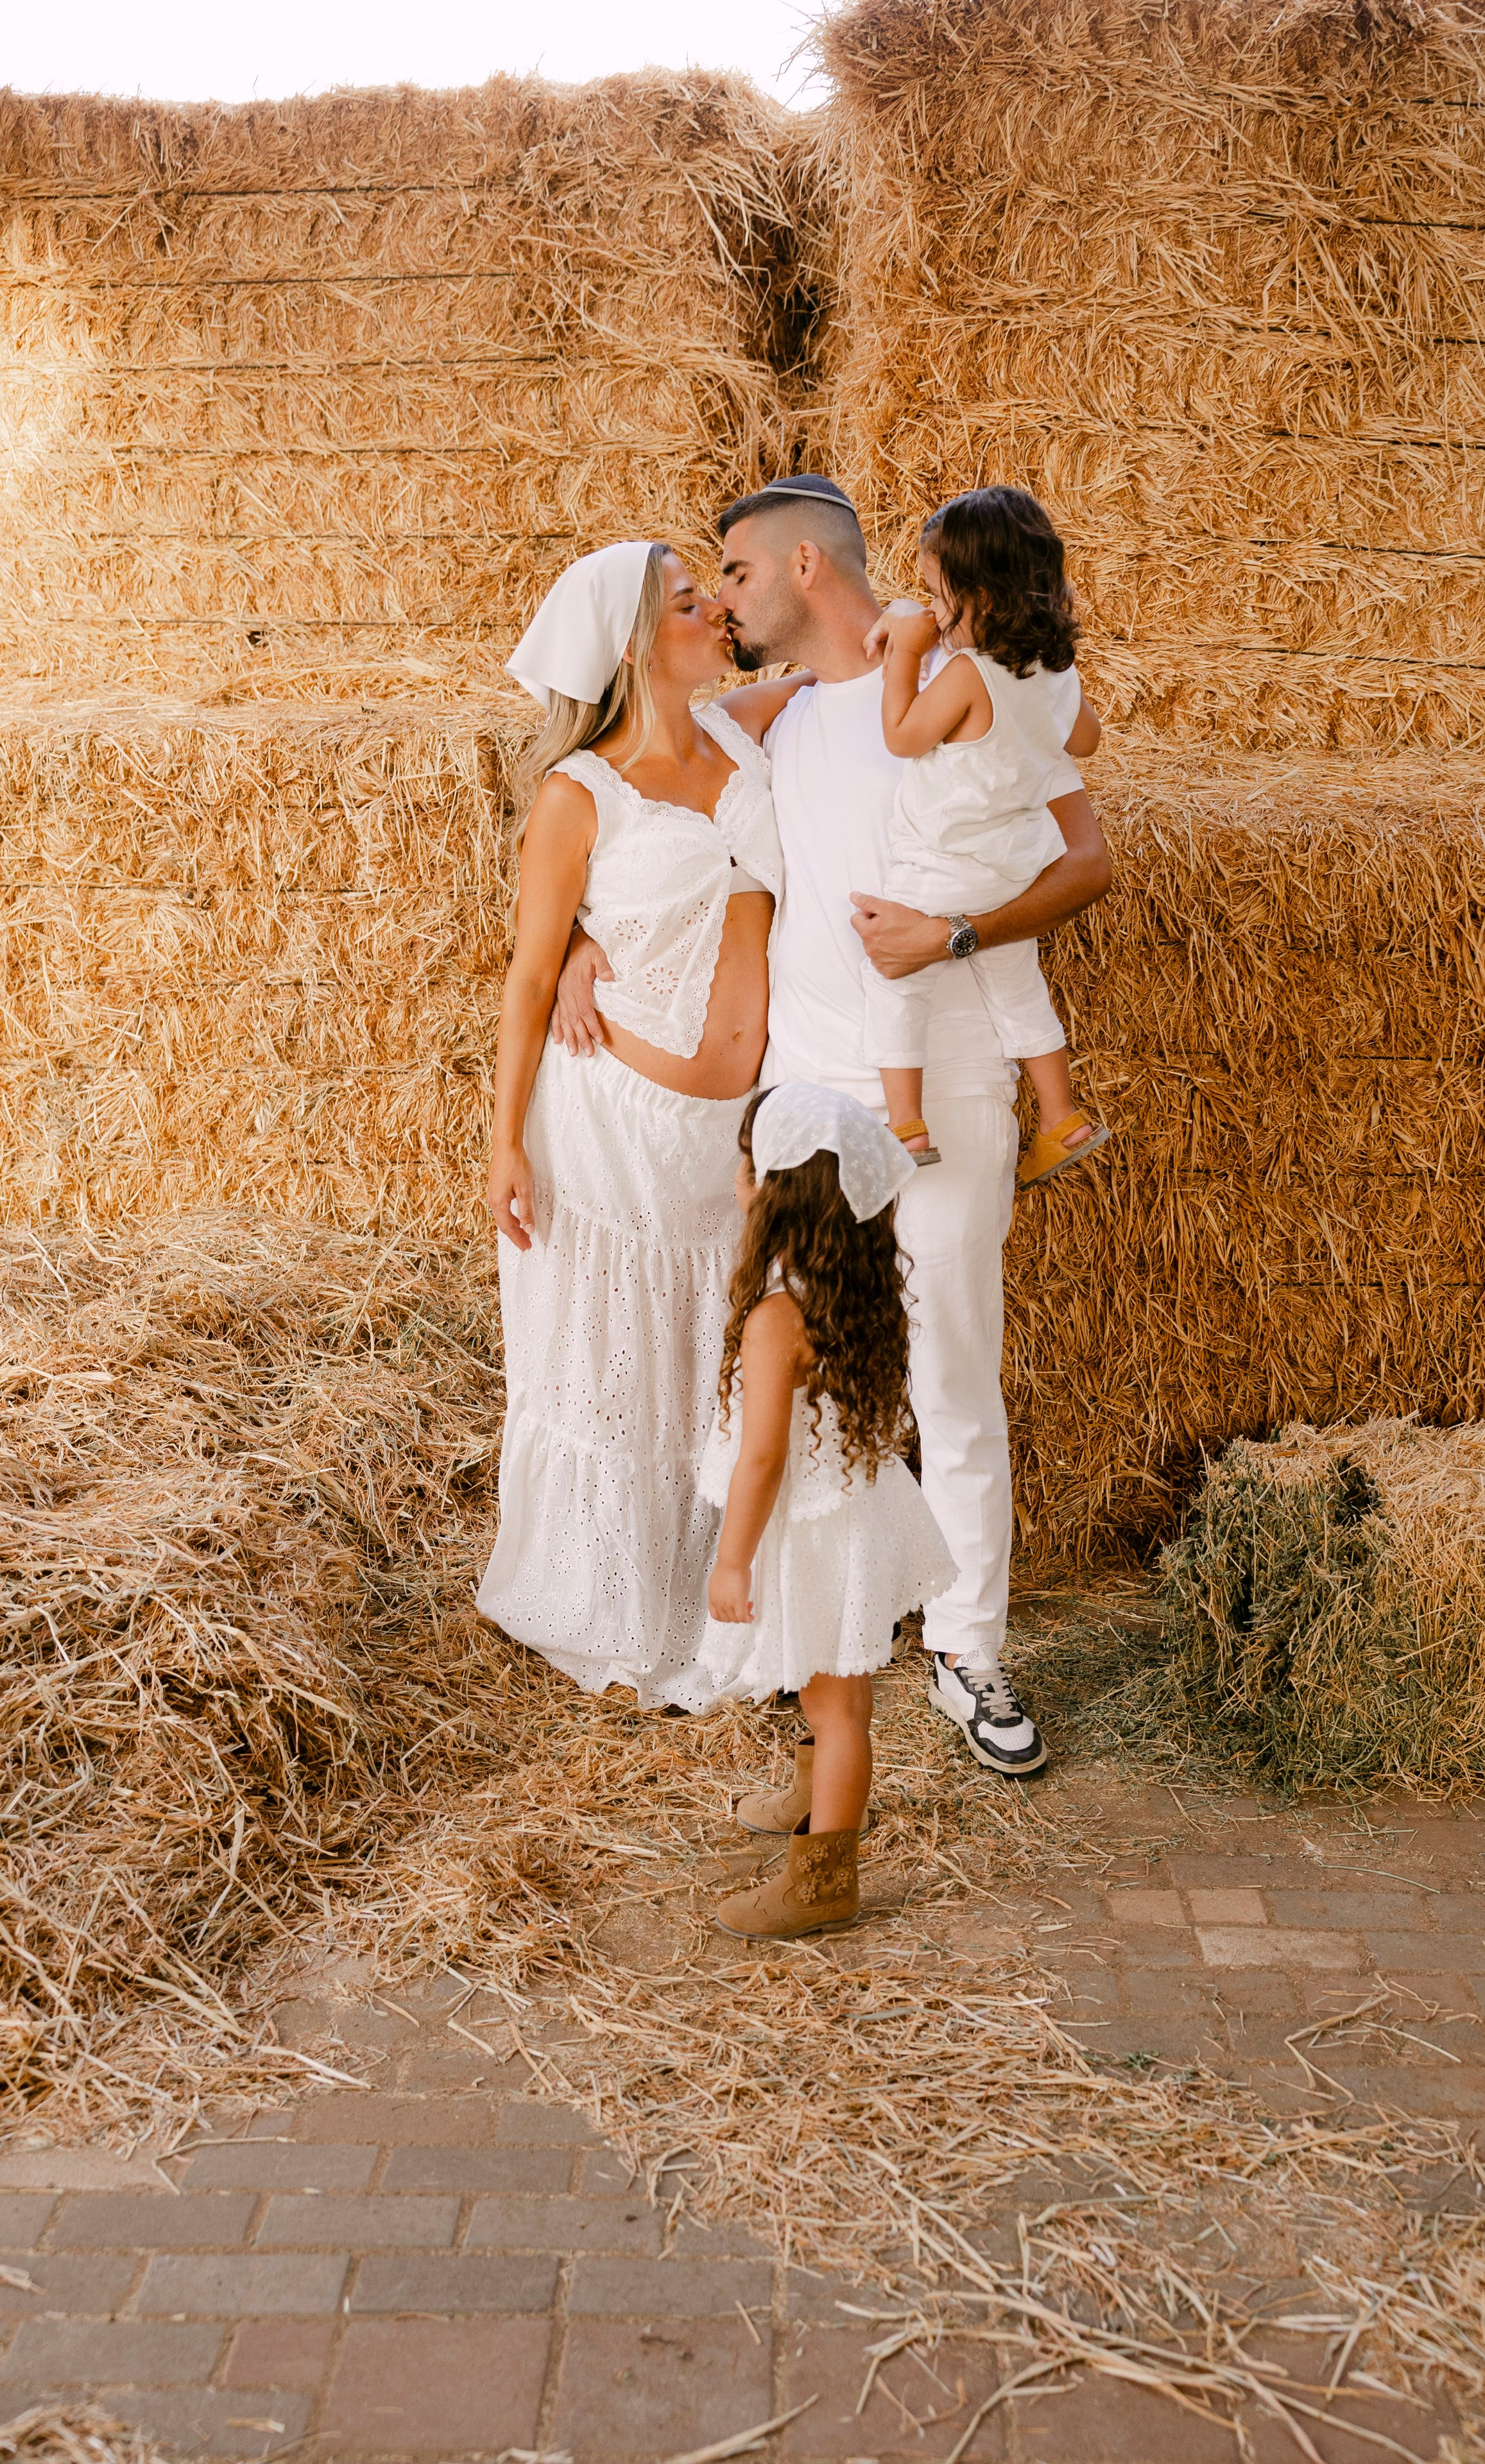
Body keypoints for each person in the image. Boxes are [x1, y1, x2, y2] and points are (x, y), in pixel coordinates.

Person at [553, 476, 1113, 1779]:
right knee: (792, 1377)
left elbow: (1086, 860)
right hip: (807, 1104)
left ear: (806, 566)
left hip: (948, 1084)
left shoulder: (965, 683)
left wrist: (953, 934)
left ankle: (969, 1649)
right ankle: (802, 1638)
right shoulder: (773, 717)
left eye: (738, 575)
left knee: (952, 1373)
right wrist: (581, 936)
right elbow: (623, 791)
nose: (723, 604)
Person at [477, 540, 787, 1704]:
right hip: (610, 1126)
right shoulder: (582, 792)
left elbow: (850, 658)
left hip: (729, 1134)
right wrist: (505, 1140)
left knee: (707, 1361)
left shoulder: (748, 735)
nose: (718, 613)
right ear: (633, 643)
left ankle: (721, 1599)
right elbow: (526, 975)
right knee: (618, 1367)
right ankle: (609, 1602)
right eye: (691, 602)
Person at [699, 1083, 957, 1940]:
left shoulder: (780, 1314)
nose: (737, 1177)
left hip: (820, 1531)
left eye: (747, 1163)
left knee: (836, 1707)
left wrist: (732, 1559)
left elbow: (764, 1458)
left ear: (775, 1191)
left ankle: (823, 1883)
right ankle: (816, 1798)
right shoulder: (851, 1285)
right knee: (827, 1689)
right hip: (849, 1515)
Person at [868, 486, 1108, 1188]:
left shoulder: (968, 673)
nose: (933, 615)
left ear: (981, 596)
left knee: (895, 982)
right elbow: (1086, 741)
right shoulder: (1054, 673)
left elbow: (901, 736)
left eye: (936, 597)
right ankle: (1061, 1116)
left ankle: (905, 1125)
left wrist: (904, 653)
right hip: (1014, 869)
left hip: (942, 865)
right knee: (1017, 990)